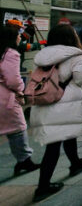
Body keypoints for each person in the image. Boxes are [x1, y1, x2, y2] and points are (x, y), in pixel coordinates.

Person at [31, 24, 82, 202]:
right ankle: (43, 186)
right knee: (54, 146)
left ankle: (75, 162)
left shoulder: (44, 54)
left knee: (68, 134)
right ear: (71, 37)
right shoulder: (76, 55)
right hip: (65, 102)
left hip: (46, 101)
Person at [0, 24, 40, 177]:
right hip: (6, 98)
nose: (19, 37)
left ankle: (24, 160)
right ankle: (24, 160)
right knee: (18, 128)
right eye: (18, 35)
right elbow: (13, 79)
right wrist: (21, 88)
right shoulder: (10, 54)